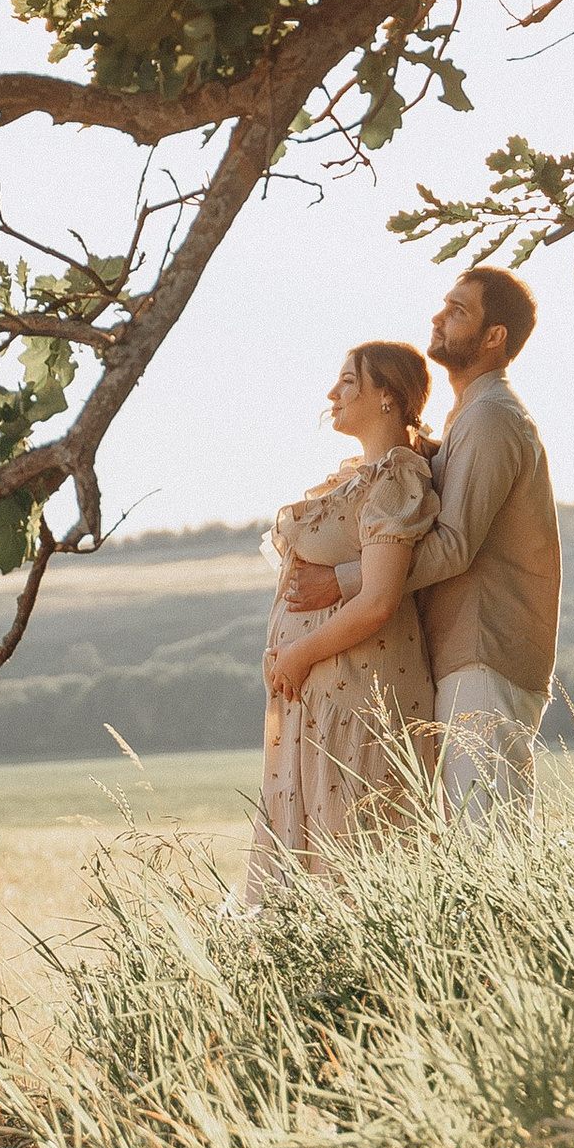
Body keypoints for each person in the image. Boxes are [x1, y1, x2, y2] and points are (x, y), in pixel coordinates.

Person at [280, 265, 559, 824]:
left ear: (495, 336)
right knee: (465, 835)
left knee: (487, 838)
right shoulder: (467, 418)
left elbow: (453, 544)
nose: (438, 317)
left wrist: (343, 582)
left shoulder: (490, 418)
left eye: (458, 311)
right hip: (461, 652)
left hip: (484, 652)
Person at [241, 338, 441, 902]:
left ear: (387, 396)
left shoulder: (394, 479)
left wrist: (299, 653)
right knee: (309, 871)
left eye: (349, 381)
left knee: (352, 862)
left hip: (355, 698)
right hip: (316, 699)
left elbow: (378, 600)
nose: (333, 392)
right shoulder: (357, 477)